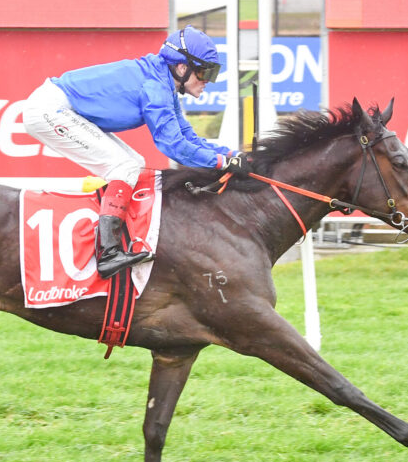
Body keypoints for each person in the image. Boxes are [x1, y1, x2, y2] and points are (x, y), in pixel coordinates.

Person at [22, 26, 247, 279]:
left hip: (58, 106)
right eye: (204, 72)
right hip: (49, 109)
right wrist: (221, 162)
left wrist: (230, 154)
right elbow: (174, 147)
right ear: (182, 67)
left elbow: (188, 138)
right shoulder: (156, 88)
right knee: (124, 167)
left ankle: (117, 239)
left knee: (133, 163)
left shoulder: (164, 83)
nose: (208, 81)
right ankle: (107, 252)